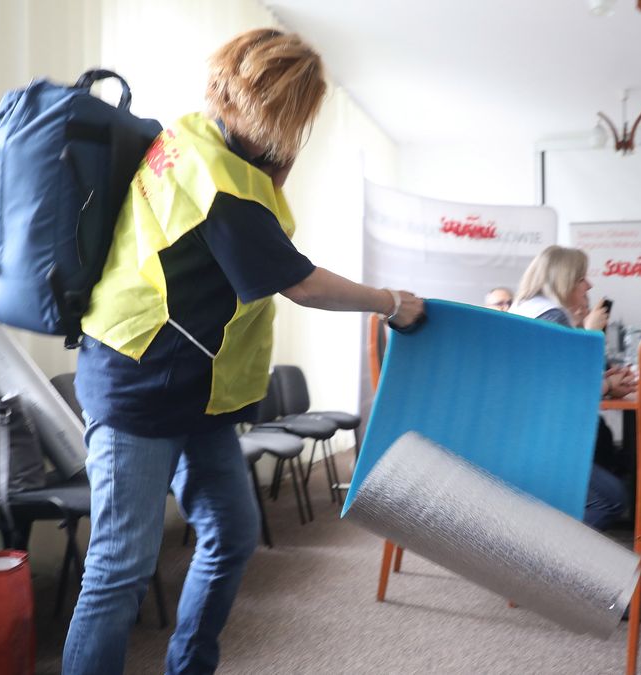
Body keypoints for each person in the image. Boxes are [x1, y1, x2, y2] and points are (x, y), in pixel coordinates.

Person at [64, 29, 424, 674]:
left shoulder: (191, 137)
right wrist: (391, 301)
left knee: (229, 535)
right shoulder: (226, 185)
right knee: (119, 569)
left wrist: (276, 161)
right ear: (286, 112)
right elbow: (303, 285)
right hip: (140, 385)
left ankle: (189, 666)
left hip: (193, 389)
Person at [510, 245, 634, 530]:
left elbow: (555, 382)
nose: (589, 284)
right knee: (612, 499)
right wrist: (606, 383)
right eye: (581, 278)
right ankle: (540, 558)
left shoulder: (525, 310)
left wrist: (606, 383)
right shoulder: (552, 317)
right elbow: (565, 392)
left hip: (518, 433)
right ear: (562, 279)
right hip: (537, 443)